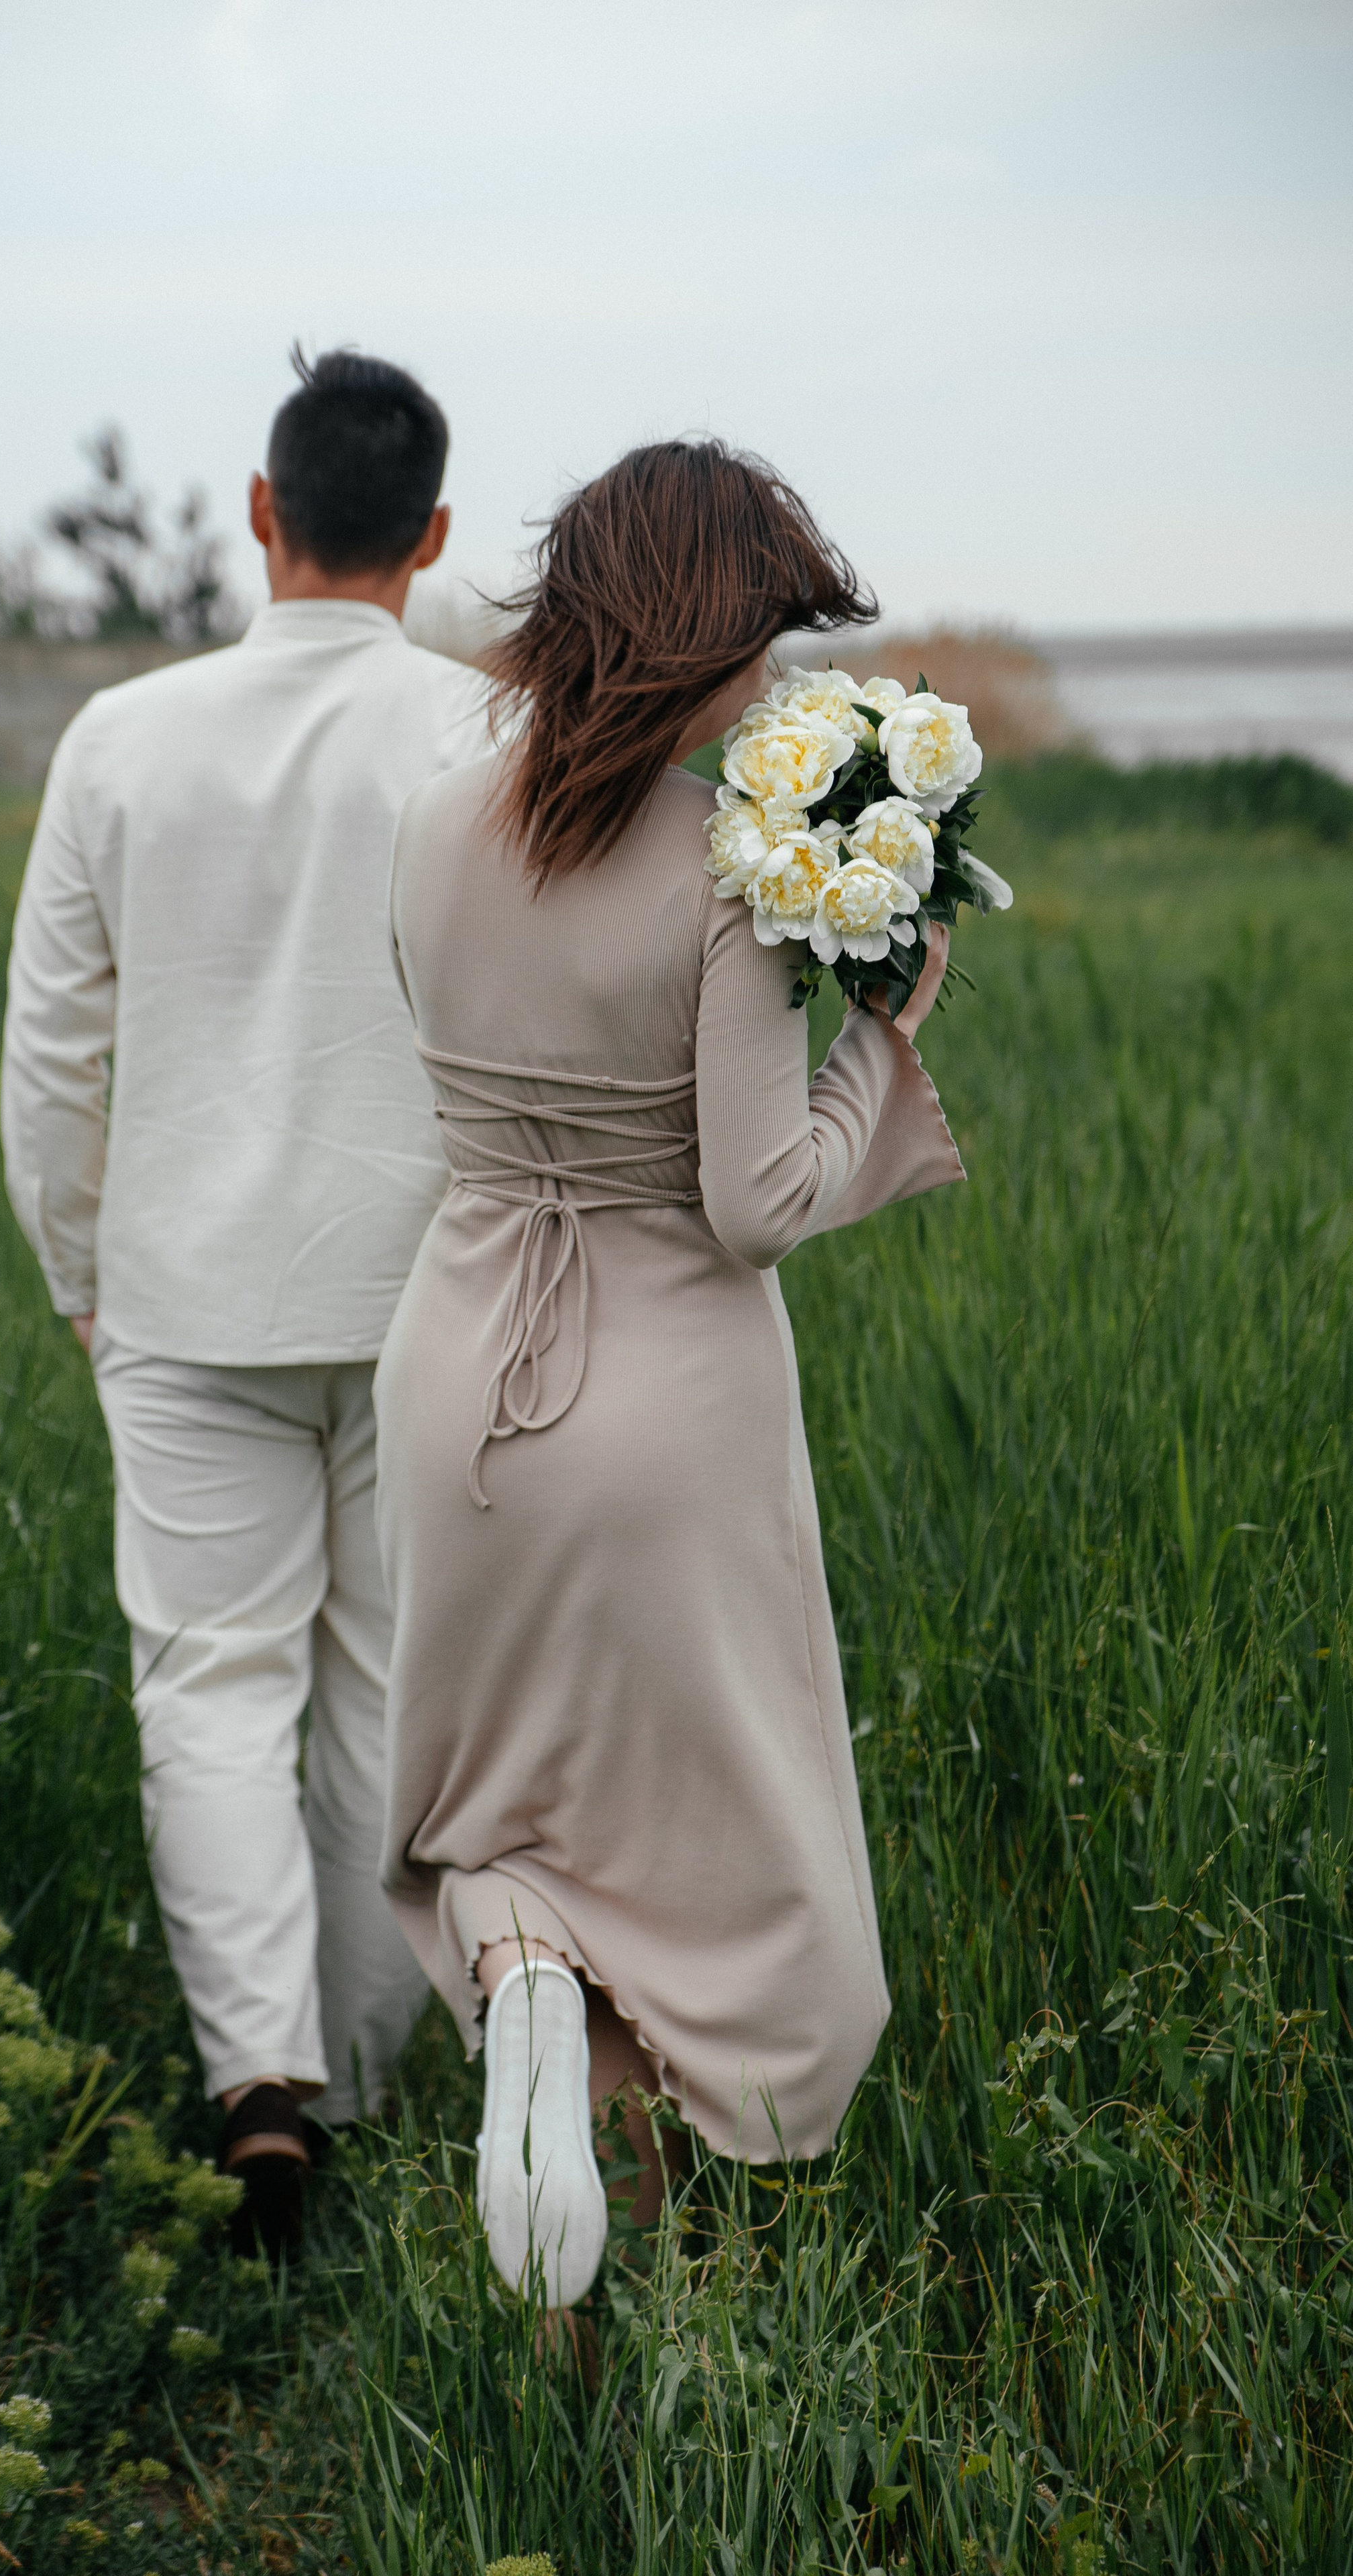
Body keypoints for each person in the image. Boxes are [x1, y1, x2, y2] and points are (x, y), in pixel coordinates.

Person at [374, 439, 966, 2307]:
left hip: (454, 1371)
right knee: (731, 1852)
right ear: (696, 645)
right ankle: (682, 2166)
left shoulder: (426, 824)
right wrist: (883, 1037)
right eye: (763, 650)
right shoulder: (728, 880)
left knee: (514, 1814)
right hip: (662, 1409)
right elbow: (757, 1201)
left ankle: (534, 2000)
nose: (771, 690)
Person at [0, 349, 491, 2254]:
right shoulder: (480, 736)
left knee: (209, 1686)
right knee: (386, 1689)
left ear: (261, 512)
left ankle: (257, 2083)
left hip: (184, 1296)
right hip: (421, 1291)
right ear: (431, 535)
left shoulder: (121, 736)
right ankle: (356, 2080)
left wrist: (77, 1268)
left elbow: (54, 1050)